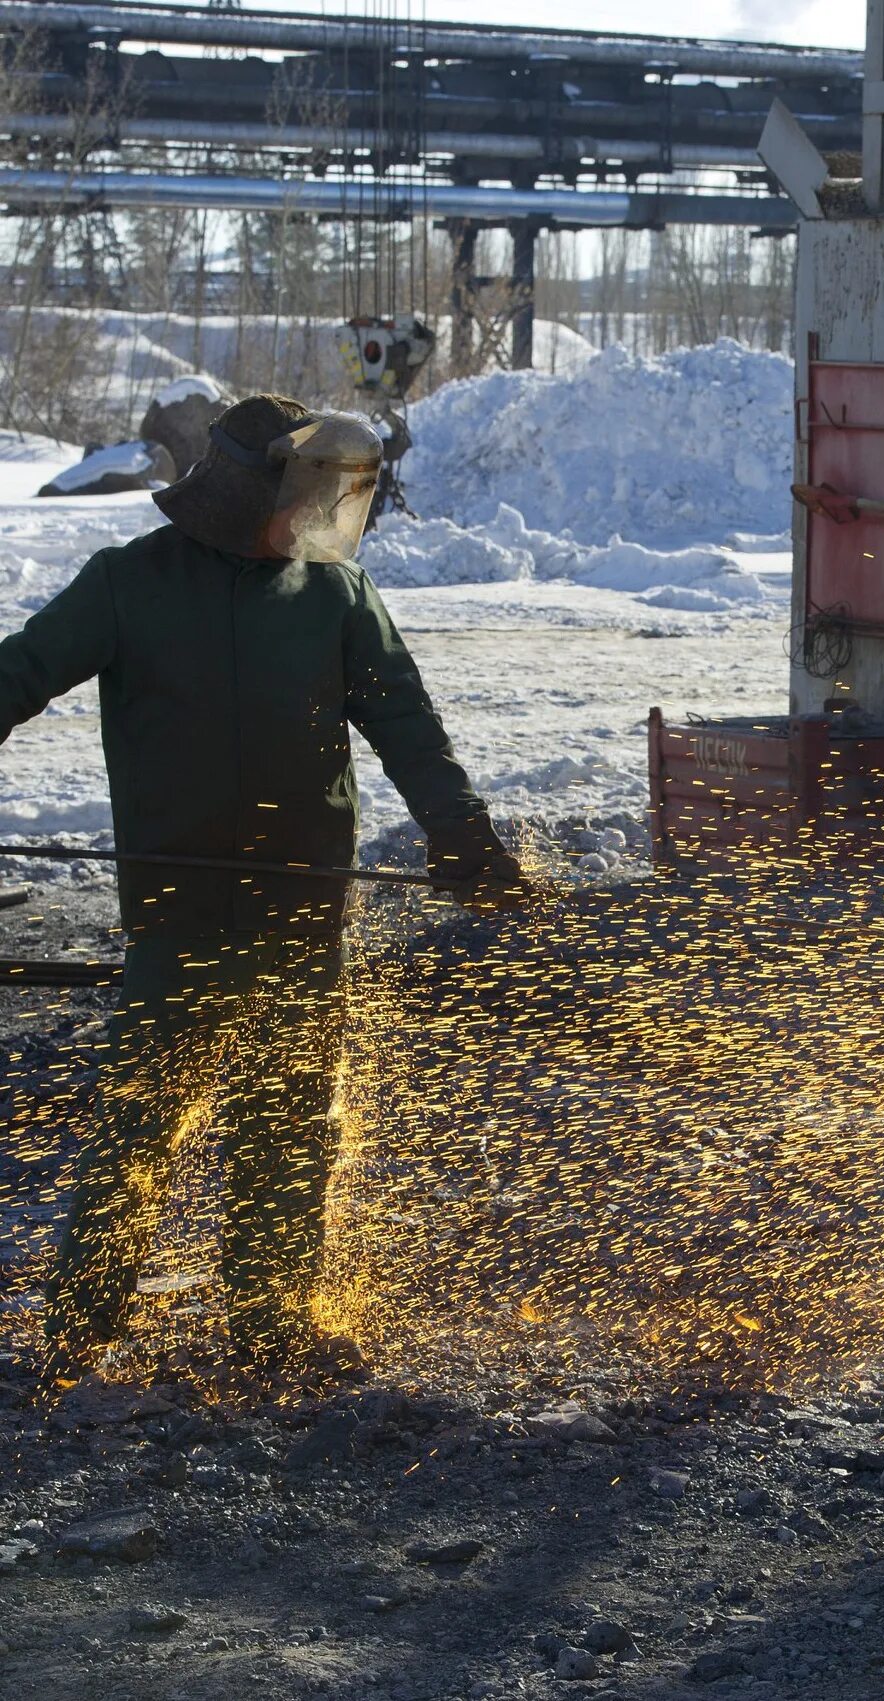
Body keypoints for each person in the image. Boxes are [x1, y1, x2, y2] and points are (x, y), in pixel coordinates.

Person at [0, 393, 525, 1384]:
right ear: (252, 495)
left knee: (284, 1135)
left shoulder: (334, 595)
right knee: (136, 1132)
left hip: (297, 924)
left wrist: (463, 836)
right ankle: (77, 1327)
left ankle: (271, 1332)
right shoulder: (127, 585)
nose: (322, 512)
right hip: (178, 925)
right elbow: (16, 675)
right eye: (308, 494)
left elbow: (408, 724)